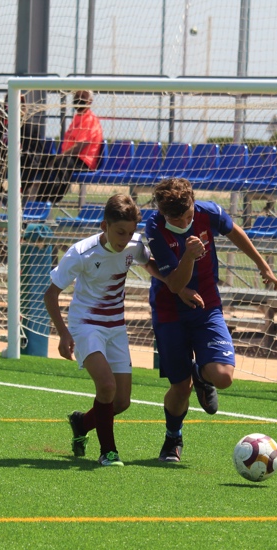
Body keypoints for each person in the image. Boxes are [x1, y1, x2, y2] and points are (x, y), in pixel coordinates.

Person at [44, 194, 203, 467]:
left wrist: (177, 286)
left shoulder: (133, 244)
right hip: (86, 326)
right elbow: (50, 295)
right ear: (104, 226)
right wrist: (64, 333)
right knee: (106, 387)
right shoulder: (81, 252)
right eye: (120, 231)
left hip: (116, 327)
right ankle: (109, 452)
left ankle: (82, 423)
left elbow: (148, 264)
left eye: (130, 232)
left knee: (121, 402)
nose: (125, 238)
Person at [146, 177, 277, 463]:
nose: (184, 224)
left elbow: (235, 232)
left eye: (187, 217)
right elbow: (174, 285)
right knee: (180, 387)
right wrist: (190, 257)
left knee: (223, 377)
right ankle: (173, 439)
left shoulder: (209, 213)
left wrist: (263, 265)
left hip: (207, 307)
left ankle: (202, 374)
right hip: (170, 311)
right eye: (176, 220)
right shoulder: (155, 228)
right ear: (163, 214)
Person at [28, 90, 103, 203]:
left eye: (83, 96)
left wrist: (59, 157)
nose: (79, 98)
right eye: (77, 95)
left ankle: (50, 199)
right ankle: (27, 192)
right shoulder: (77, 118)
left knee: (61, 162)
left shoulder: (90, 120)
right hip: (69, 158)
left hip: (83, 161)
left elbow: (80, 146)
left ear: (90, 101)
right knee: (42, 160)